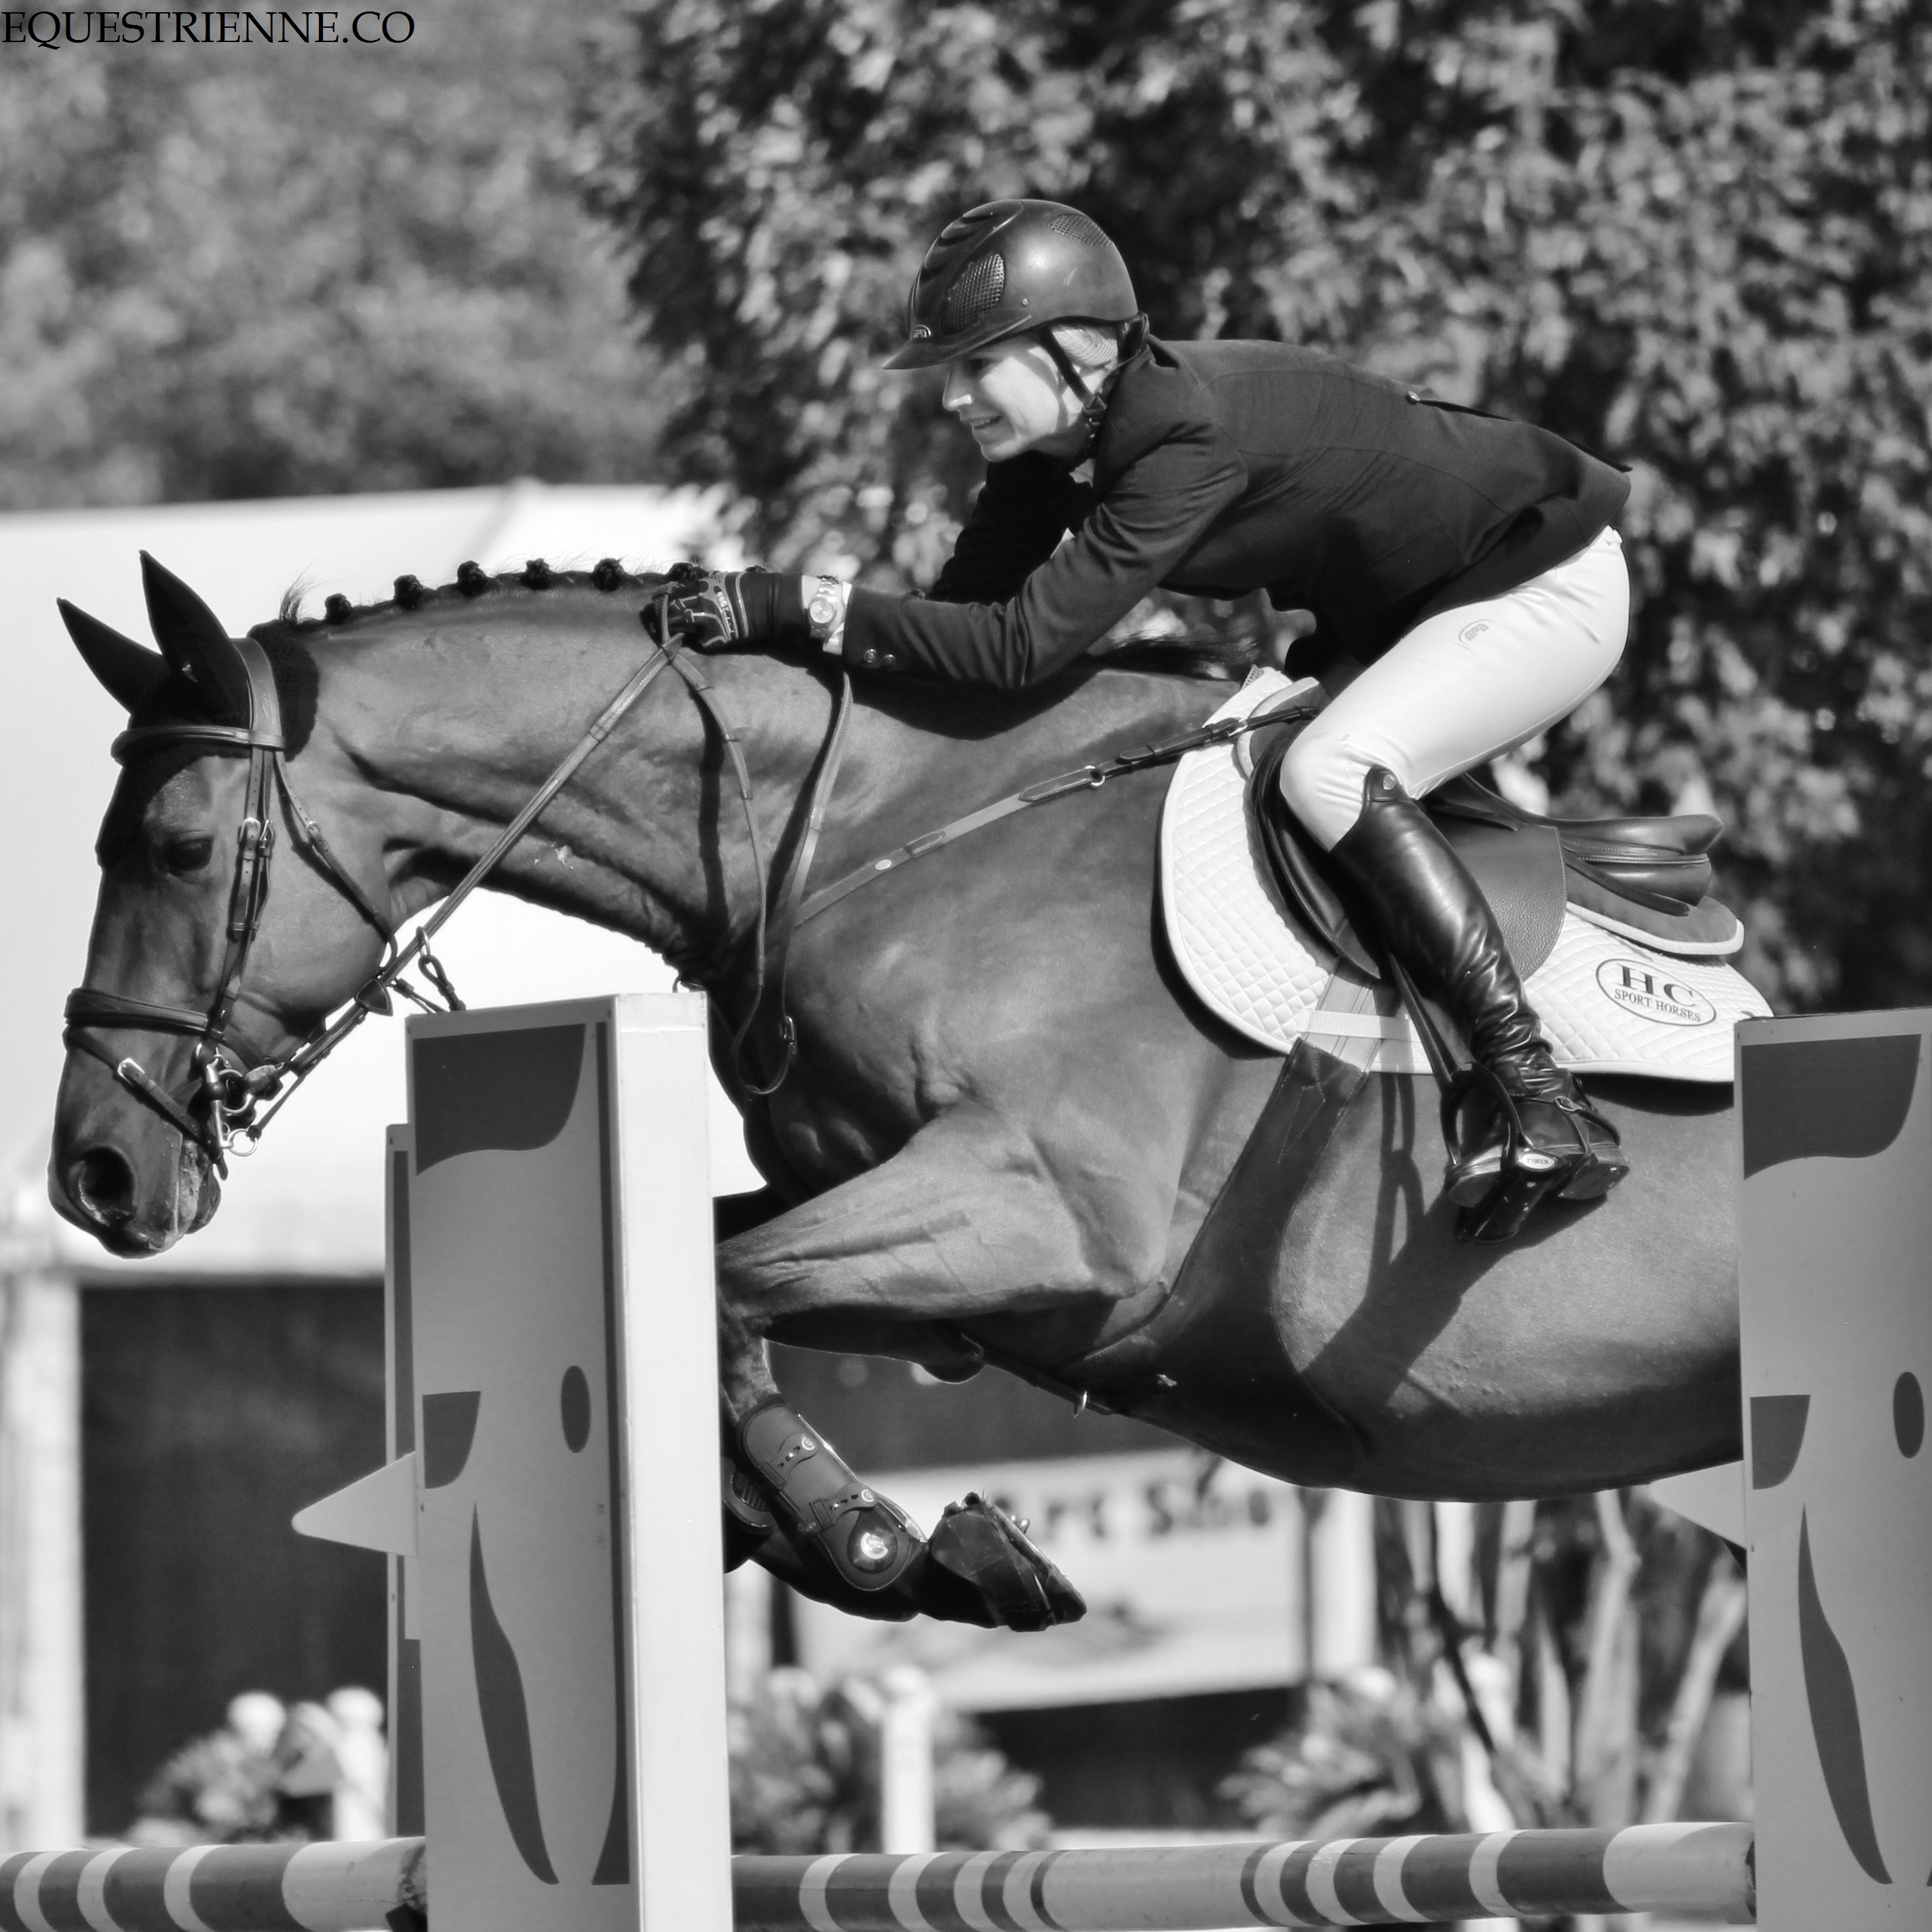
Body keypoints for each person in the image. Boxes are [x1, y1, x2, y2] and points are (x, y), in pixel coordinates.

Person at [667, 199, 1631, 1239]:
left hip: (1541, 584)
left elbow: (1020, 649)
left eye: (976, 364)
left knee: (1329, 770)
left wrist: (802, 604)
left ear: (1074, 349)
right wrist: (780, 656)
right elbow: (955, 632)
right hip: (1407, 613)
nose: (951, 396)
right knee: (1259, 760)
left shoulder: (1182, 435)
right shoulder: (1052, 451)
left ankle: (1538, 1092)